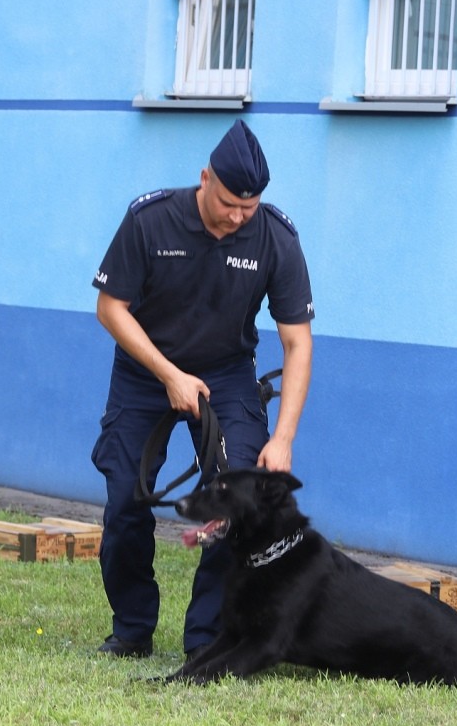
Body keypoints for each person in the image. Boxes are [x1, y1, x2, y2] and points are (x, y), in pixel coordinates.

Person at [90, 119, 314, 659]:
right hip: (145, 374)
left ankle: (206, 639)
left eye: (250, 206)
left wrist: (282, 439)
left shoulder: (276, 238)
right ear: (205, 179)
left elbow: (297, 345)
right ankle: (132, 628)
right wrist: (168, 374)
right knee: (125, 501)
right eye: (229, 203)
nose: (238, 217)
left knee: (238, 500)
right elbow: (110, 308)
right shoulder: (151, 219)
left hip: (228, 376)